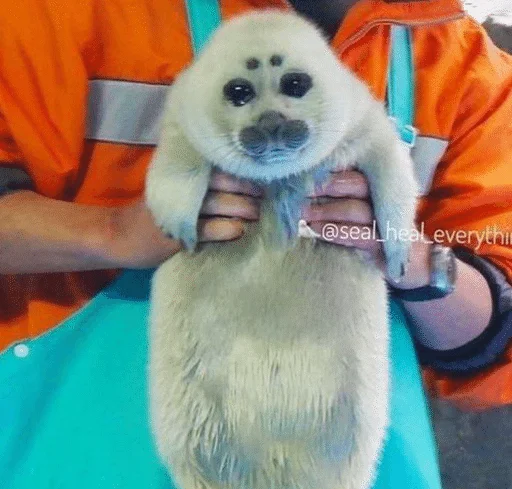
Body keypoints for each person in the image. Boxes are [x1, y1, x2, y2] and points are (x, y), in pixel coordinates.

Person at [0, 0, 511, 482]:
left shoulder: (458, 64)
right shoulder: (72, 14)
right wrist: (114, 233)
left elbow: (497, 326)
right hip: (91, 435)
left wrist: (414, 260)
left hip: (336, 444)